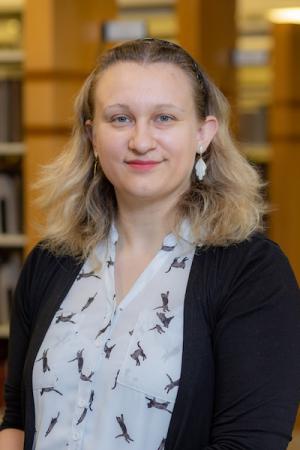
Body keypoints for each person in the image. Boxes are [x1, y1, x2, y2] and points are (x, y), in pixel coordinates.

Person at [0, 38, 299, 450]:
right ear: (92, 136)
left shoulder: (251, 274)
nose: (141, 141)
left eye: (164, 118)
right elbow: (16, 417)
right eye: (120, 119)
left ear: (202, 133)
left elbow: (249, 443)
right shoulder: (50, 262)